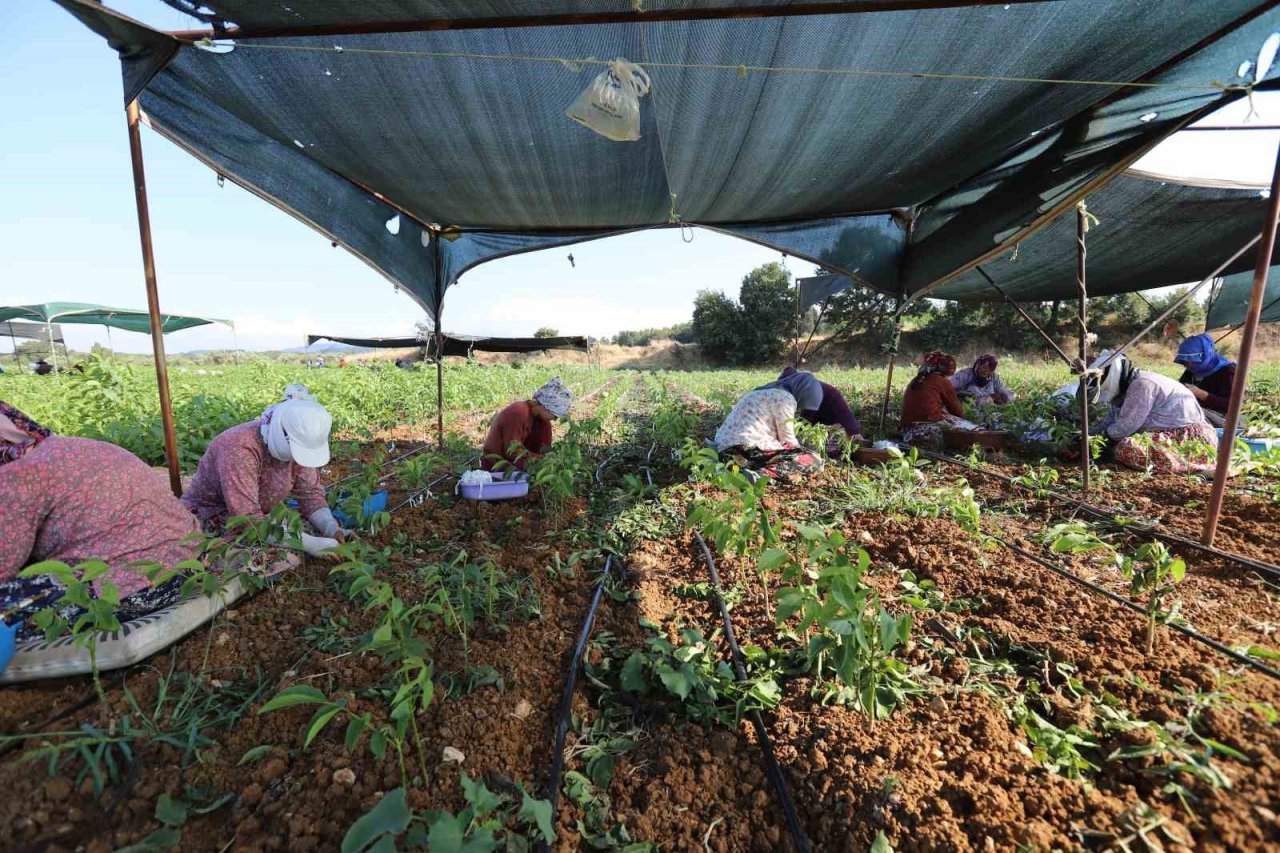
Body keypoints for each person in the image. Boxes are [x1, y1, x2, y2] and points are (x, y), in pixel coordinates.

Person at [0, 401, 204, 640]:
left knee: (10, 607)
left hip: (134, 587)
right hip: (190, 565)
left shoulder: (15, 476)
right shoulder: (73, 446)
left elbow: (4, 567)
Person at [182, 385, 345, 557]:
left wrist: (330, 527)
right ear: (282, 434)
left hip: (263, 516)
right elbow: (247, 518)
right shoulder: (239, 448)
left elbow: (310, 494)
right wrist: (309, 543)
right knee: (277, 558)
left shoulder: (299, 446)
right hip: (218, 517)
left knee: (302, 535)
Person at [1089, 350, 1217, 474]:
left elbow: (1126, 426)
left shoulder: (1142, 385)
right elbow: (1114, 418)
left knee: (1126, 448)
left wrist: (1096, 441)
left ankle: (1192, 467)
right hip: (1180, 433)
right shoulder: (1137, 382)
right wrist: (1089, 434)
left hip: (1188, 439)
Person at [713, 372, 824, 481]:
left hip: (723, 449)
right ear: (803, 394)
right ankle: (761, 475)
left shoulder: (758, 391)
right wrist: (803, 450)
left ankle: (736, 467)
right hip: (748, 448)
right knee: (814, 461)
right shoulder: (785, 399)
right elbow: (788, 440)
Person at [482, 377, 573, 472]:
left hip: (516, 461)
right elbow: (512, 451)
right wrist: (541, 459)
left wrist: (550, 458)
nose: (555, 419)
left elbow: (545, 449)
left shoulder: (542, 421)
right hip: (496, 464)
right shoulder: (519, 411)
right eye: (554, 415)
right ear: (545, 406)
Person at [900, 350, 980, 448]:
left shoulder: (916, 380)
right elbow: (957, 411)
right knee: (970, 427)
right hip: (928, 426)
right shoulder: (942, 381)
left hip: (907, 429)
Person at [775, 367, 863, 443]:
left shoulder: (810, 389)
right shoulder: (797, 386)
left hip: (828, 403)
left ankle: (858, 445)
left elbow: (805, 420)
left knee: (849, 431)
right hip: (818, 407)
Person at [1173, 334, 1236, 427]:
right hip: (1194, 412)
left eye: (1192, 360)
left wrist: (1202, 395)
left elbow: (1232, 406)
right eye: (1185, 362)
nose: (1188, 364)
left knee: (1188, 412)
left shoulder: (1227, 371)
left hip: (1222, 418)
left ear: (1205, 355)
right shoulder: (1192, 369)